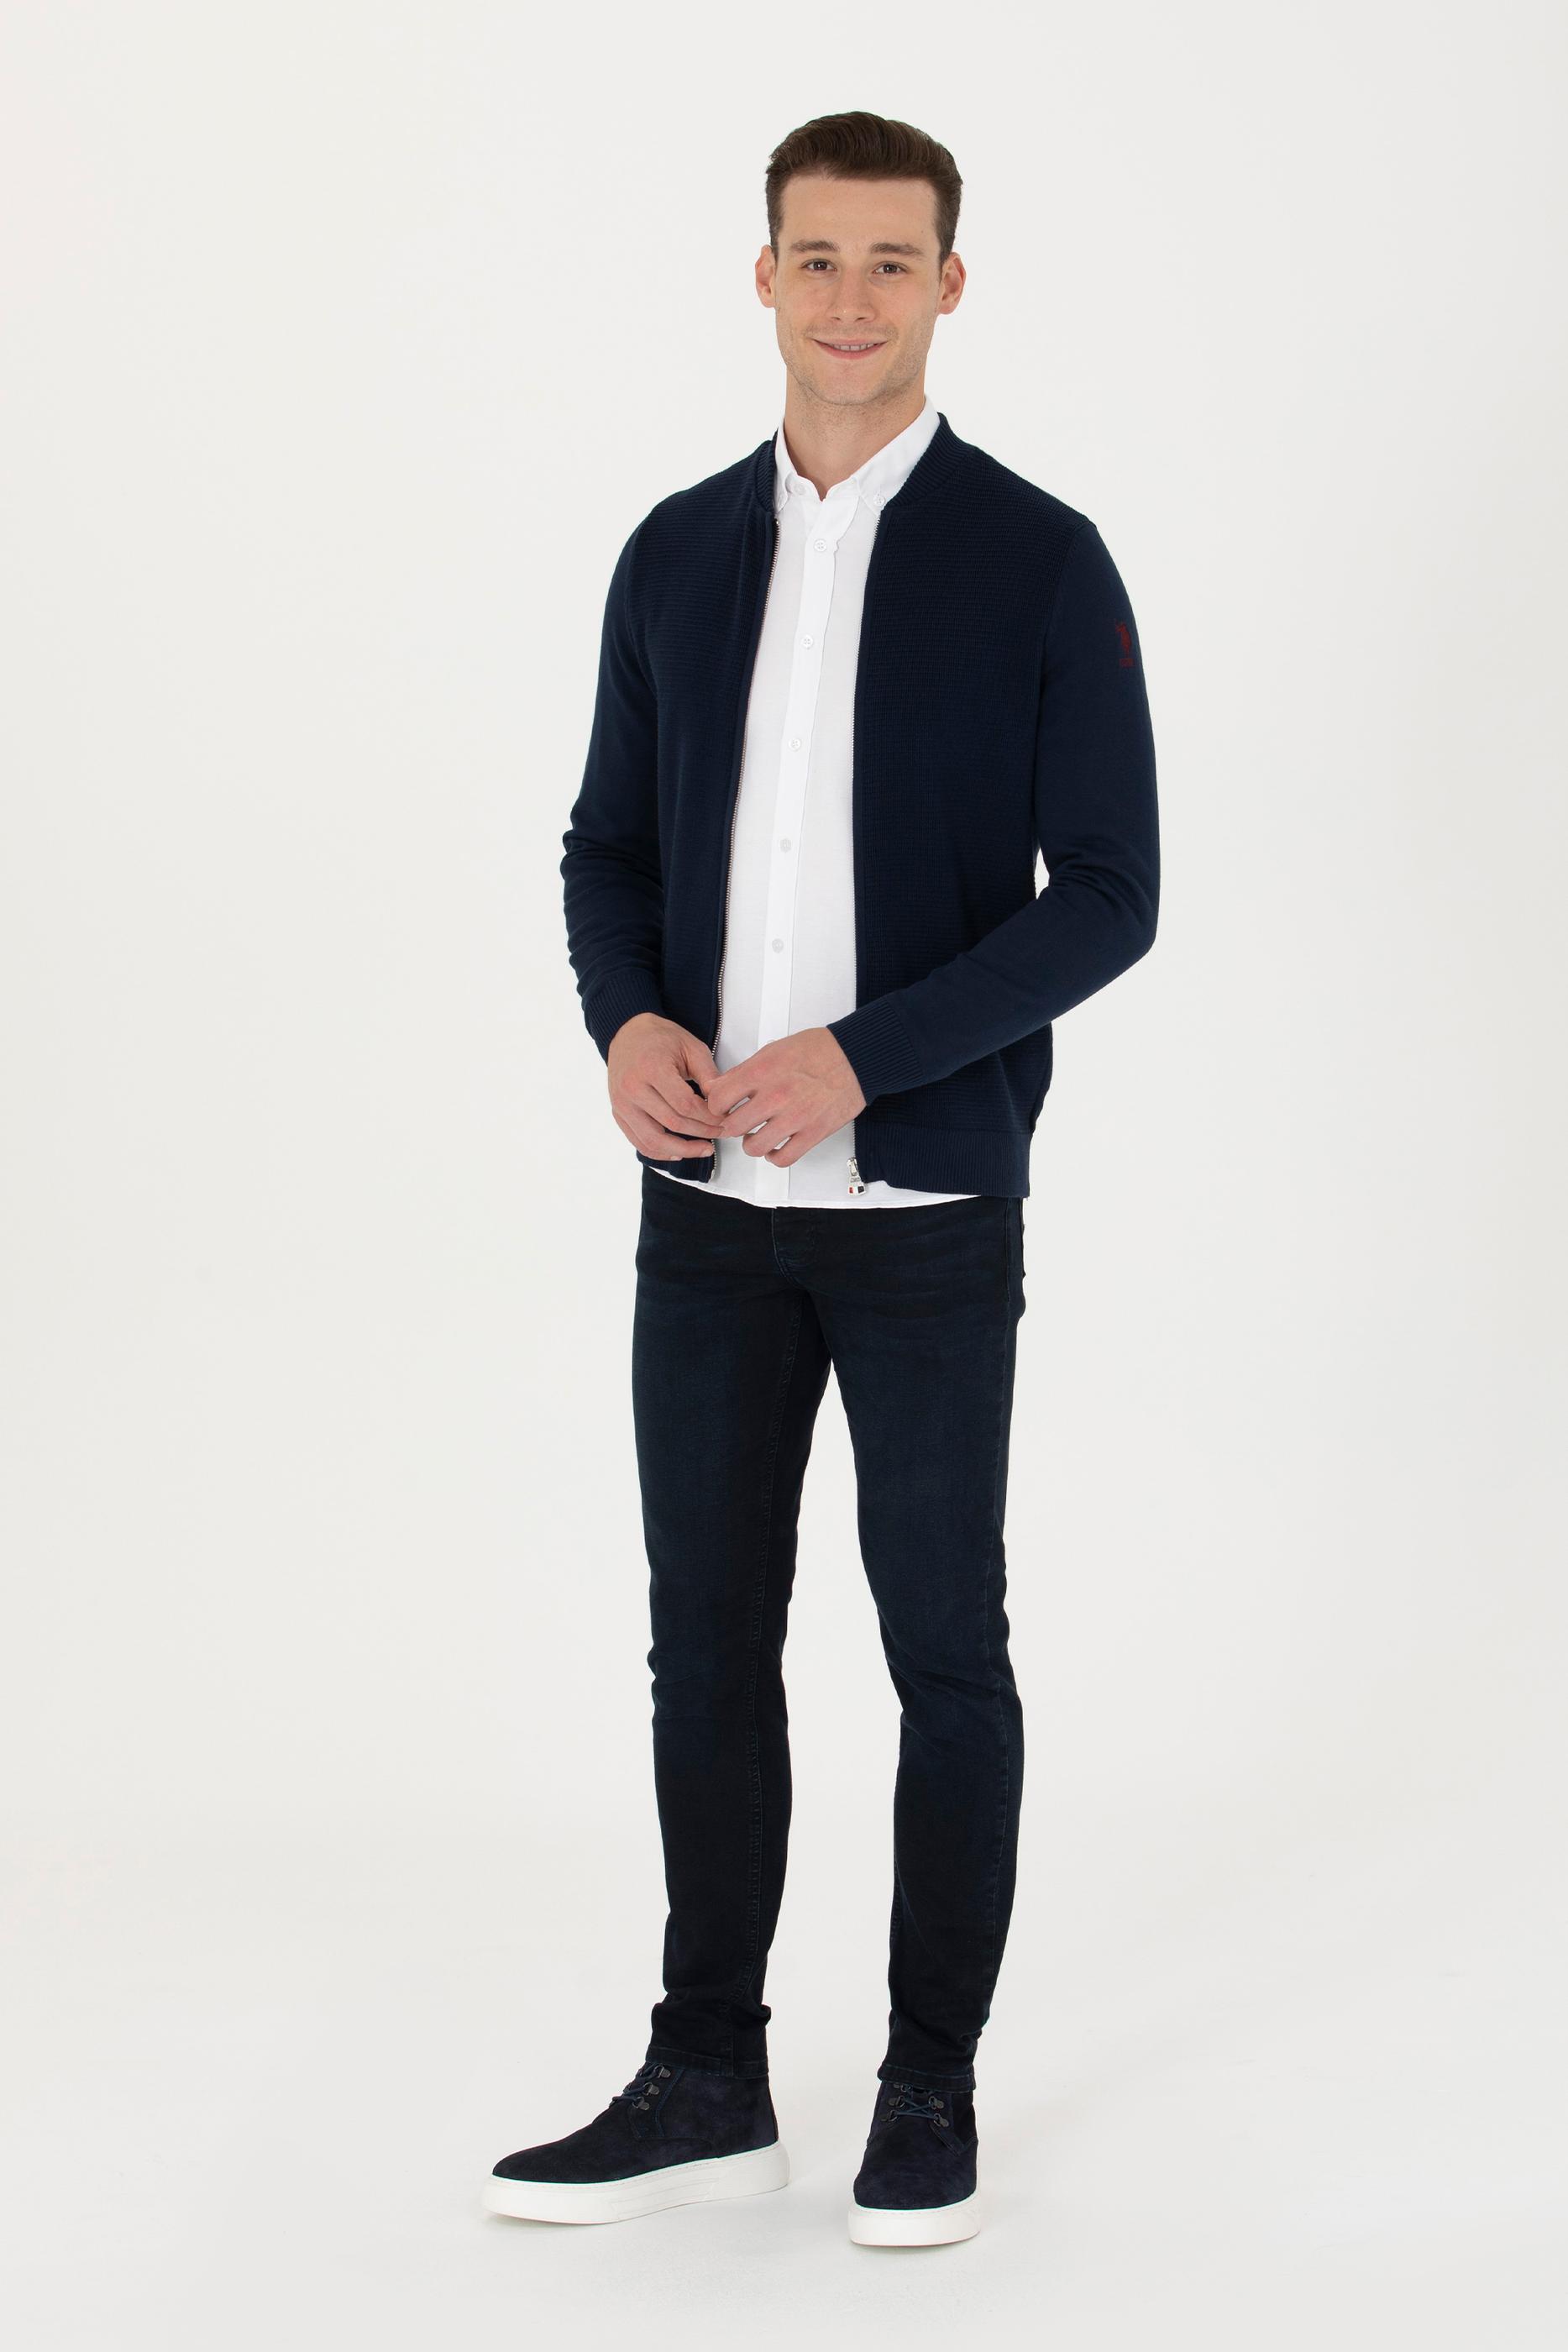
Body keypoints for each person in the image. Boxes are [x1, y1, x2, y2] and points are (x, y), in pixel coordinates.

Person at [484, 108, 1159, 2248]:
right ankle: (705, 2071)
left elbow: (1110, 893)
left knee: (942, 1648)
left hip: (928, 1218)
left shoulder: (1041, 558)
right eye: (815, 257)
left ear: (949, 284)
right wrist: (625, 1021)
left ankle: (926, 2081)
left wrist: (864, 1058)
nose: (849, 298)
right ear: (760, 276)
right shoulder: (675, 551)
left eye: (890, 260)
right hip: (705, 1224)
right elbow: (604, 844)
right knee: (704, 1644)